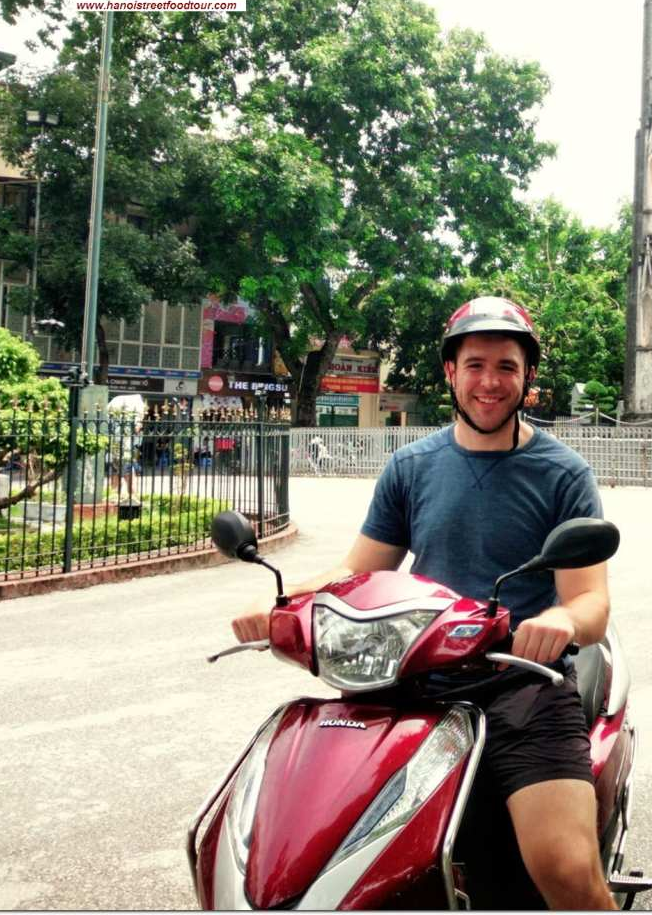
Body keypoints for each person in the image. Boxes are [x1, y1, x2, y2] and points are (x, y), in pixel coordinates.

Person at [231, 296, 616, 910]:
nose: (490, 382)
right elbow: (355, 572)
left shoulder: (562, 473)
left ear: (527, 377)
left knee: (565, 869)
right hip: (410, 678)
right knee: (326, 843)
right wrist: (280, 601)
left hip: (521, 682)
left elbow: (591, 601)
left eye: (507, 367)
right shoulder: (411, 466)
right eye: (475, 365)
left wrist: (559, 619)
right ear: (450, 373)